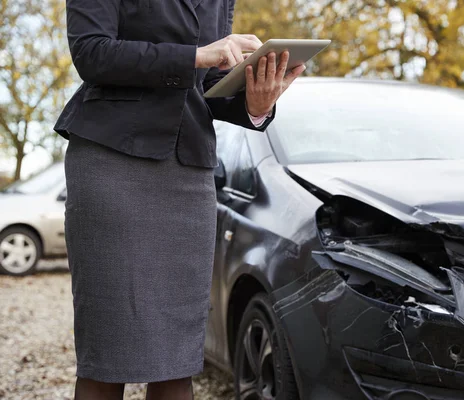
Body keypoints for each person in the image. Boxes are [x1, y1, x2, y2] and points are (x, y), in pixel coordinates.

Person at [53, 0, 305, 399]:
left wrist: (255, 105)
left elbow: (203, 86)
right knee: (108, 353)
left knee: (177, 360)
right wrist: (198, 55)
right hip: (111, 160)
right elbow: (92, 52)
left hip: (188, 171)